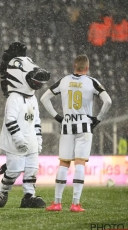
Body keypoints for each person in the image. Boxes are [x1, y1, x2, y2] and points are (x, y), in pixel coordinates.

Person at [40, 54, 112, 212]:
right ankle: (75, 204)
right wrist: (98, 119)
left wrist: (57, 116)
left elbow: (44, 98)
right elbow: (108, 101)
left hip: (67, 125)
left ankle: (57, 203)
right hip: (84, 125)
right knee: (80, 163)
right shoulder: (92, 82)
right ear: (87, 67)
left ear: (74, 66)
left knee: (64, 163)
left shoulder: (64, 80)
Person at [0, 52, 50, 208]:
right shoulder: (13, 98)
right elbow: (10, 120)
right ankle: (1, 192)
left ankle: (29, 196)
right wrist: (18, 139)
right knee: (14, 170)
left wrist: (38, 138)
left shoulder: (33, 97)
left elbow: (36, 120)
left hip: (31, 140)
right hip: (15, 141)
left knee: (32, 169)